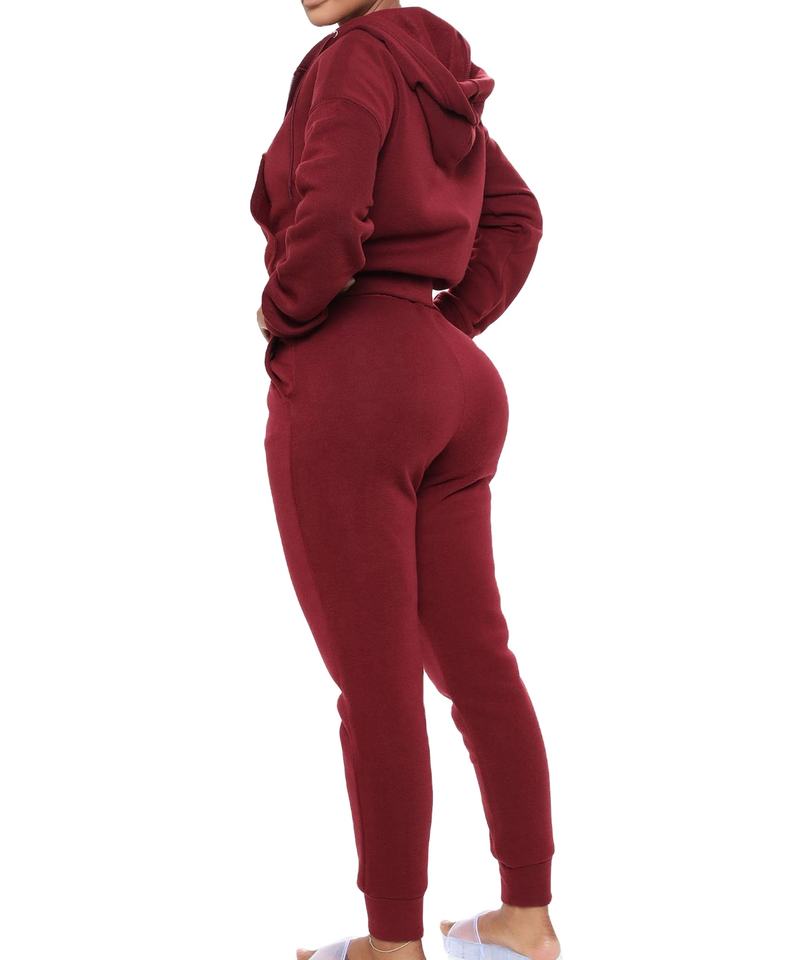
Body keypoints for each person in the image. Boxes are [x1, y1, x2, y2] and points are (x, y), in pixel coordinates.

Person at [250, 3, 560, 959]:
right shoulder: (440, 77)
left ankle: (391, 945)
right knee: (477, 661)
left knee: (375, 683)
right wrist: (443, 328)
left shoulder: (353, 57)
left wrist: (284, 312)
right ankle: (525, 920)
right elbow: (516, 214)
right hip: (453, 382)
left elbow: (331, 208)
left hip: (357, 379)